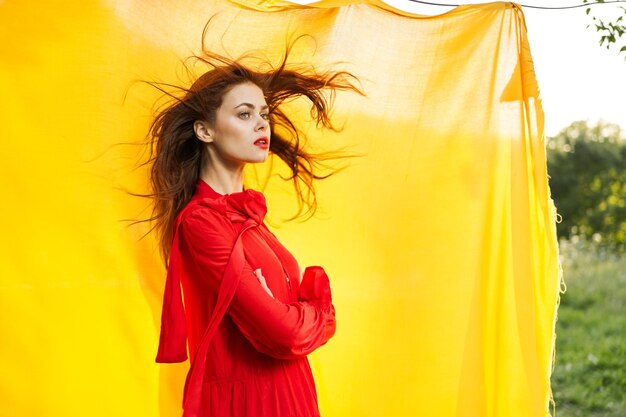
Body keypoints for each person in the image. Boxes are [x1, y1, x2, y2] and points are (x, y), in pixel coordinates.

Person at [146, 45, 361, 417]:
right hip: (249, 404)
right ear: (205, 130)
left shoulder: (251, 220)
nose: (263, 124)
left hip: (292, 395)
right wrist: (321, 309)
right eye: (245, 114)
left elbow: (288, 329)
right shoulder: (200, 223)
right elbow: (286, 334)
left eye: (264, 113)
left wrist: (297, 313)